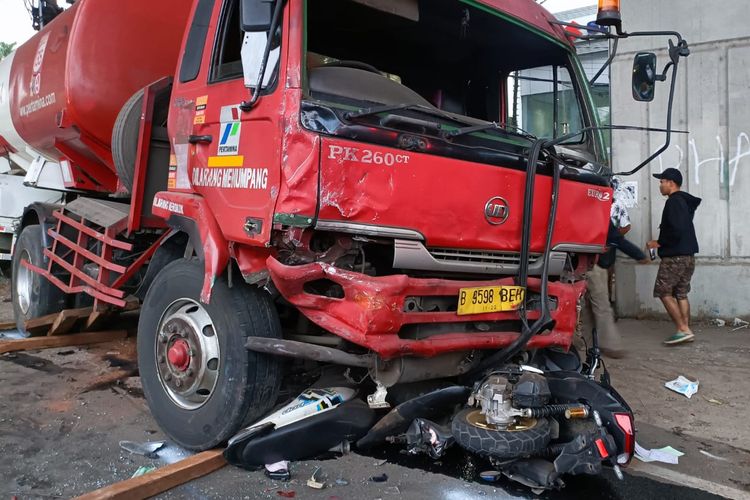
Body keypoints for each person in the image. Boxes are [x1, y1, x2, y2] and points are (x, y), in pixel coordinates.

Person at [582, 181, 647, 359]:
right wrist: (640, 255)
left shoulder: (581, 208)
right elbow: (617, 239)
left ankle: (584, 342)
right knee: (602, 305)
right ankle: (610, 344)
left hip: (577, 264)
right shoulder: (599, 212)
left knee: (586, 307)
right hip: (594, 265)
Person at [647, 168, 701, 345]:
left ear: (671, 183)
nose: (660, 185)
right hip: (688, 256)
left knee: (663, 291)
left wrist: (659, 243)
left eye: (662, 181)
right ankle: (686, 329)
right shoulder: (684, 202)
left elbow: (676, 230)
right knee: (681, 293)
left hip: (675, 257)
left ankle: (683, 329)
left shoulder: (674, 202)